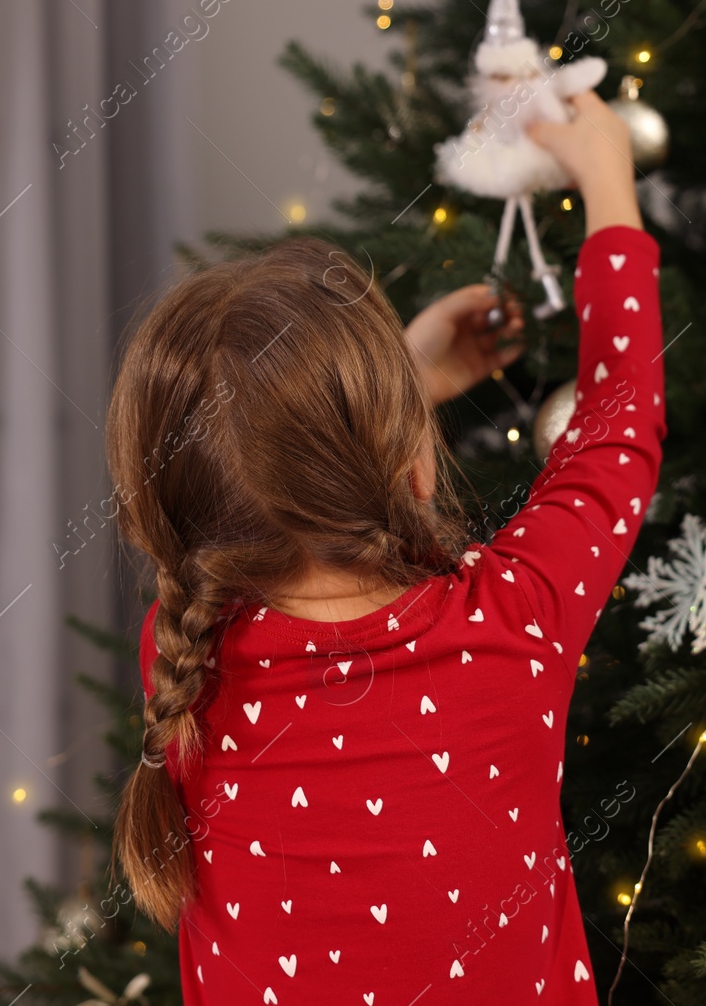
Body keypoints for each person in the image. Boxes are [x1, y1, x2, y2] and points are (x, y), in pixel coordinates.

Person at [106, 88, 663, 1002]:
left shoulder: (182, 652)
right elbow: (618, 433)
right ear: (412, 466)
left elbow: (265, 479)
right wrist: (607, 181)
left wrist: (402, 380)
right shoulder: (511, 619)